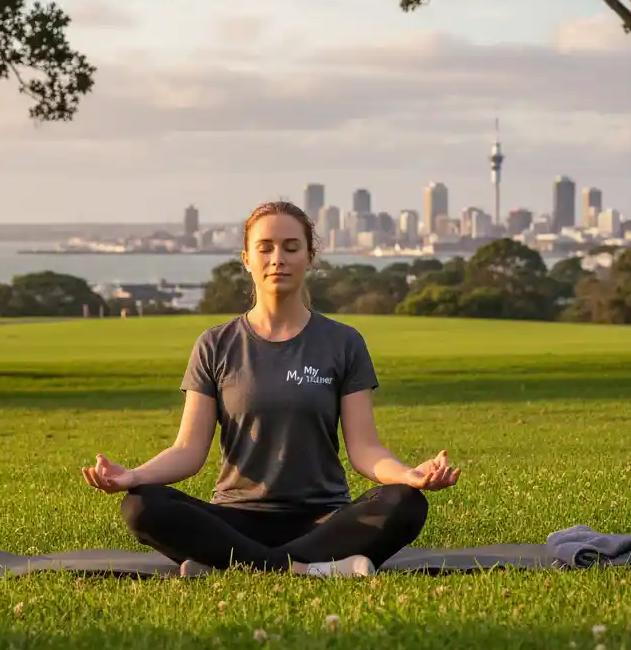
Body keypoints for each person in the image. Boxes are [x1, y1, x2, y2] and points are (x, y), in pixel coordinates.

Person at [82, 200, 460, 577]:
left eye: (291, 247)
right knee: (142, 506)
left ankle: (231, 562)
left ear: (310, 257)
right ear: (246, 258)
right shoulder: (215, 344)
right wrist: (134, 476)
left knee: (406, 503)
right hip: (234, 519)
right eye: (265, 248)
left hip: (324, 520)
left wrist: (408, 475)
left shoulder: (343, 342)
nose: (278, 258)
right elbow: (188, 451)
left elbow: (364, 449)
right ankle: (306, 568)